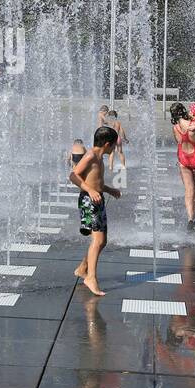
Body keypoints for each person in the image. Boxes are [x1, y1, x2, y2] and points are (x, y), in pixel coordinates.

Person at [69, 126, 121, 297]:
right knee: (97, 240)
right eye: (114, 145)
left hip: (97, 199)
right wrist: (90, 191)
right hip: (89, 200)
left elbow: (95, 181)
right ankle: (91, 277)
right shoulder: (91, 155)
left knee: (102, 241)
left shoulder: (99, 157)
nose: (114, 148)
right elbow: (74, 175)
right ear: (107, 144)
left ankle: (83, 268)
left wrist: (108, 189)